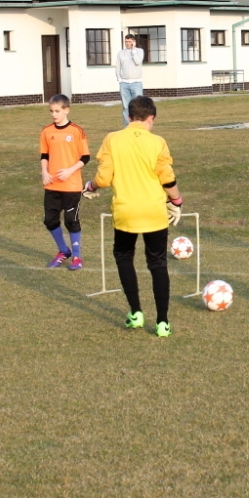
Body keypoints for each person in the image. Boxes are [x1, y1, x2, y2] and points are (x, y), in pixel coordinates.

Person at [84, 95, 182, 337]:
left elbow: (104, 178)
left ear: (129, 117)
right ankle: (162, 322)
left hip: (126, 211)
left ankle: (136, 312)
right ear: (152, 118)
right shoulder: (157, 142)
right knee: (158, 263)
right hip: (154, 211)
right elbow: (167, 177)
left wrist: (91, 187)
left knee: (123, 256)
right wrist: (176, 201)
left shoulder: (112, 140)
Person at [40, 94, 90, 270]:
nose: (54, 114)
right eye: (51, 111)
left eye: (57, 111)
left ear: (66, 110)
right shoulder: (47, 131)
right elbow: (44, 155)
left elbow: (85, 157)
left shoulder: (76, 131)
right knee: (50, 221)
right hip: (52, 185)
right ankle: (63, 251)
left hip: (71, 186)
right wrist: (44, 172)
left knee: (71, 221)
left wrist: (69, 171)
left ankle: (76, 257)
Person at [115, 34, 145, 126]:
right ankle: (127, 127)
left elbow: (137, 62)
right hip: (124, 83)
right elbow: (118, 66)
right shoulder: (121, 53)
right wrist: (119, 79)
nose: (128, 43)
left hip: (136, 83)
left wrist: (133, 51)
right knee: (126, 107)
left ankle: (139, 125)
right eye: (126, 42)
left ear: (134, 42)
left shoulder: (139, 51)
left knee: (138, 105)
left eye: (130, 41)